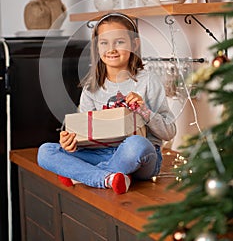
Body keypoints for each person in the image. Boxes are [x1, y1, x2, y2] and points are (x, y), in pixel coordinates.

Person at [37, 12, 176, 194]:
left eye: (119, 42)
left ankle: (86, 175)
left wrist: (145, 111)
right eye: (104, 43)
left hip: (140, 156)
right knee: (45, 152)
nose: (111, 49)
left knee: (136, 144)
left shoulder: (148, 81)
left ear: (134, 44)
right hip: (101, 152)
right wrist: (70, 142)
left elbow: (169, 132)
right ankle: (110, 178)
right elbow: (82, 135)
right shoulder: (91, 87)